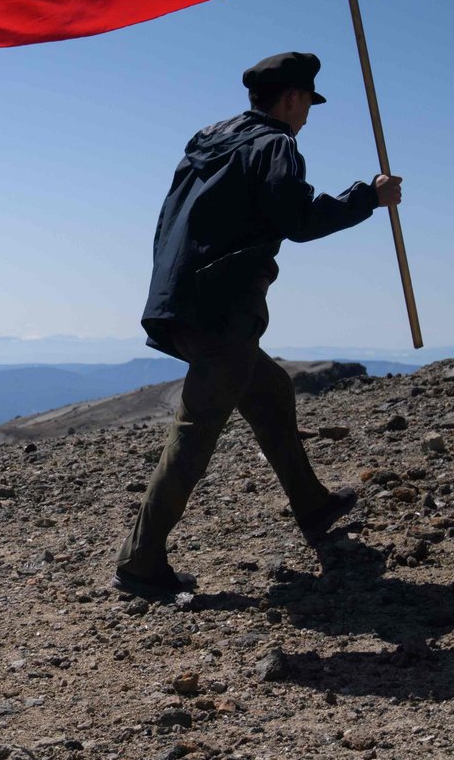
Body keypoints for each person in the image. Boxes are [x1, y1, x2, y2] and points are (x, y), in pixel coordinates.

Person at [114, 51, 403, 599]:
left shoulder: (211, 142)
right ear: (293, 98)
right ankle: (139, 563)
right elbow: (297, 219)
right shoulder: (276, 146)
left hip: (184, 298)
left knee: (269, 389)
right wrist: (370, 197)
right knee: (194, 434)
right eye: (309, 104)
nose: (308, 115)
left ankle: (313, 504)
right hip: (222, 311)